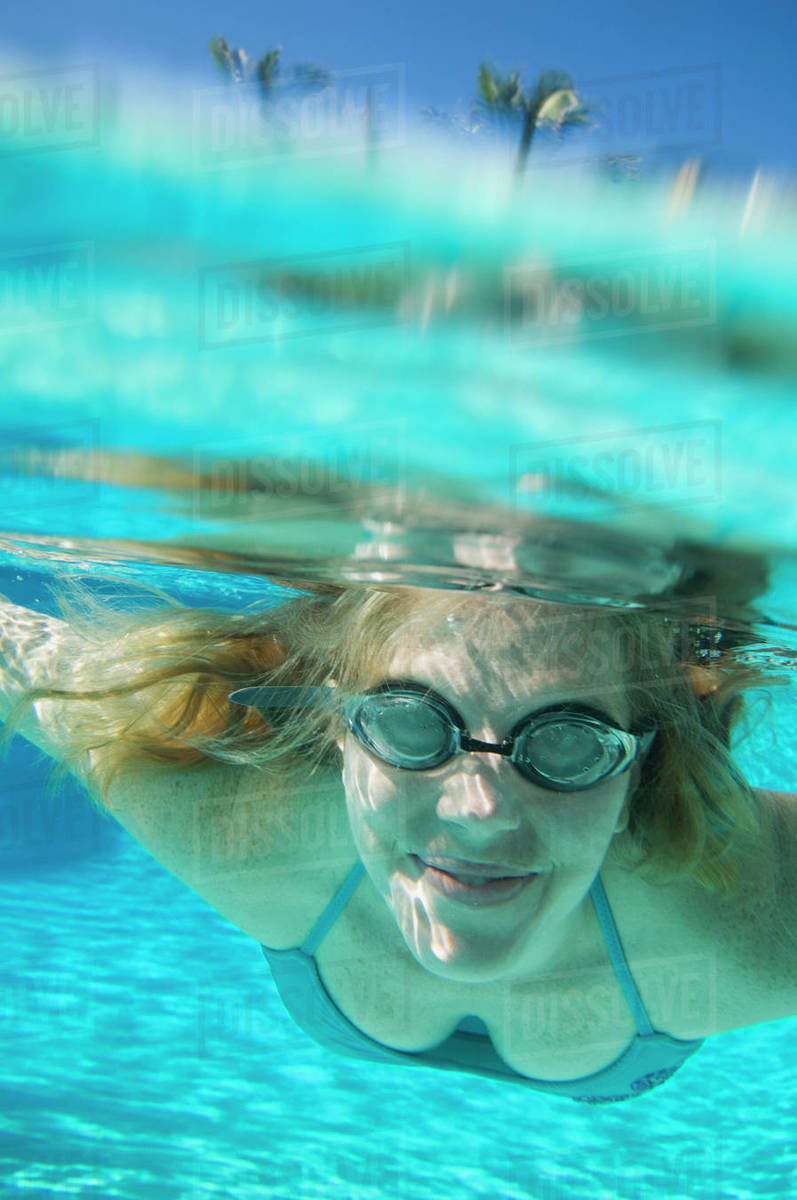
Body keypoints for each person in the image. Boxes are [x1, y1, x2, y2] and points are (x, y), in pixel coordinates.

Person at [1, 578, 795, 1105]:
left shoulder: (746, 927)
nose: (480, 812)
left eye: (566, 743)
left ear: (637, 769)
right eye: (411, 726)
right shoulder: (242, 833)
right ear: (339, 732)